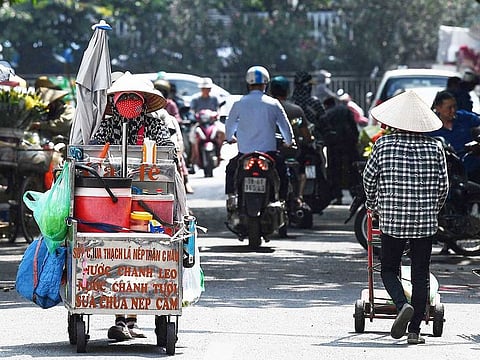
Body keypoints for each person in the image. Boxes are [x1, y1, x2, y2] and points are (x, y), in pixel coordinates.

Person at [90, 71, 188, 341]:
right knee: (118, 254)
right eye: (125, 99)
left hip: (149, 197)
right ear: (118, 100)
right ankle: (122, 319)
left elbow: (169, 150)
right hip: (112, 196)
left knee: (140, 255)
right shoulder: (109, 125)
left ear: (143, 101)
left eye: (134, 99)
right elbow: (96, 150)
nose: (129, 104)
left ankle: (129, 319)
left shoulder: (154, 124)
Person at [363, 90, 449, 345]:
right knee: (420, 273)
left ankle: (401, 304)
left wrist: (372, 204)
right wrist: (433, 210)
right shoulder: (436, 148)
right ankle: (414, 332)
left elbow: (369, 180)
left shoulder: (383, 144)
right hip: (424, 221)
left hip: (392, 220)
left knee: (389, 268)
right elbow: (443, 187)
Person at [225, 66, 295, 202]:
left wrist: (229, 138)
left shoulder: (239, 103)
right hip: (269, 154)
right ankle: (282, 201)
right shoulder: (273, 103)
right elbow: (285, 126)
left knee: (231, 169)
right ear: (265, 84)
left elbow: (230, 124)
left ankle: (231, 198)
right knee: (283, 173)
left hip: (244, 154)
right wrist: (289, 141)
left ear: (248, 84)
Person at [269, 75, 313, 199]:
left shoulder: (266, 108)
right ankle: (299, 197)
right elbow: (305, 134)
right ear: (288, 91)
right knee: (302, 171)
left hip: (270, 151)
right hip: (291, 153)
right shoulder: (296, 110)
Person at [428, 90, 480, 181]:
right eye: (449, 108)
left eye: (454, 106)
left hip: (473, 167)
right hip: (448, 174)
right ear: (438, 108)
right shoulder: (430, 126)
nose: (453, 110)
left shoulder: (464, 117)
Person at [154, 78, 194, 194]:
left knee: (178, 159)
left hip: (170, 137)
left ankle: (184, 184)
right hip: (152, 145)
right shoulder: (148, 114)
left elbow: (176, 119)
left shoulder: (170, 108)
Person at [320, 96, 360, 204]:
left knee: (334, 171)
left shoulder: (326, 115)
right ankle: (355, 195)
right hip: (349, 145)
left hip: (334, 146)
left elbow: (324, 132)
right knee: (352, 170)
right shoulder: (345, 109)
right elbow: (354, 126)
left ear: (326, 105)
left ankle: (338, 196)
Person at [189, 77, 225, 169]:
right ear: (201, 89)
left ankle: (219, 153)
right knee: (193, 136)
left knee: (222, 132)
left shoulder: (215, 99)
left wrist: (217, 115)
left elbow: (219, 109)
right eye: (205, 88)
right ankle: (194, 158)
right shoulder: (196, 99)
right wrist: (194, 116)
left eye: (208, 88)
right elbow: (191, 111)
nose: (206, 90)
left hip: (212, 123)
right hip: (199, 123)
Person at [291, 71, 326, 142]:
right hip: (313, 141)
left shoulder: (290, 102)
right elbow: (324, 121)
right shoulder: (314, 102)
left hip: (293, 139)